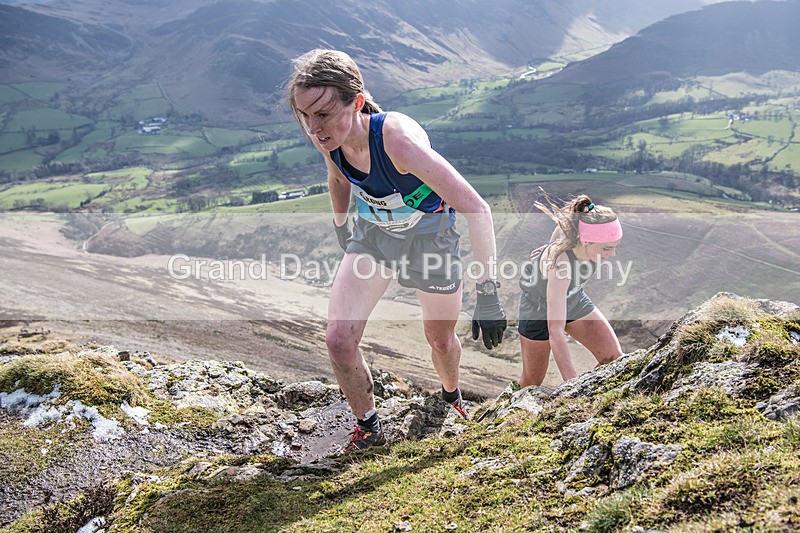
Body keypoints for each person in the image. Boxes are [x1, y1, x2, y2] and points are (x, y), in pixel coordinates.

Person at [285, 49, 507, 452]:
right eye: (305, 115)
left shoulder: (398, 142)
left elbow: (477, 207)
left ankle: (451, 395)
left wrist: (488, 293)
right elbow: (337, 177)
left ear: (356, 101)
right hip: (375, 235)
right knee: (339, 339)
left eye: (322, 113)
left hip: (430, 236)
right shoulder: (327, 136)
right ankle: (369, 428)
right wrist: (340, 226)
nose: (314, 128)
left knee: (439, 339)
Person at [517, 193, 623, 388]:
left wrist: (546, 248)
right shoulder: (562, 267)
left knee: (614, 359)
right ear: (586, 241)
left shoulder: (579, 232)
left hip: (573, 298)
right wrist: (572, 385)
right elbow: (555, 331)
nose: (612, 254)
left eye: (615, 247)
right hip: (538, 310)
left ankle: (592, 396)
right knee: (531, 382)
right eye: (607, 248)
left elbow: (562, 228)